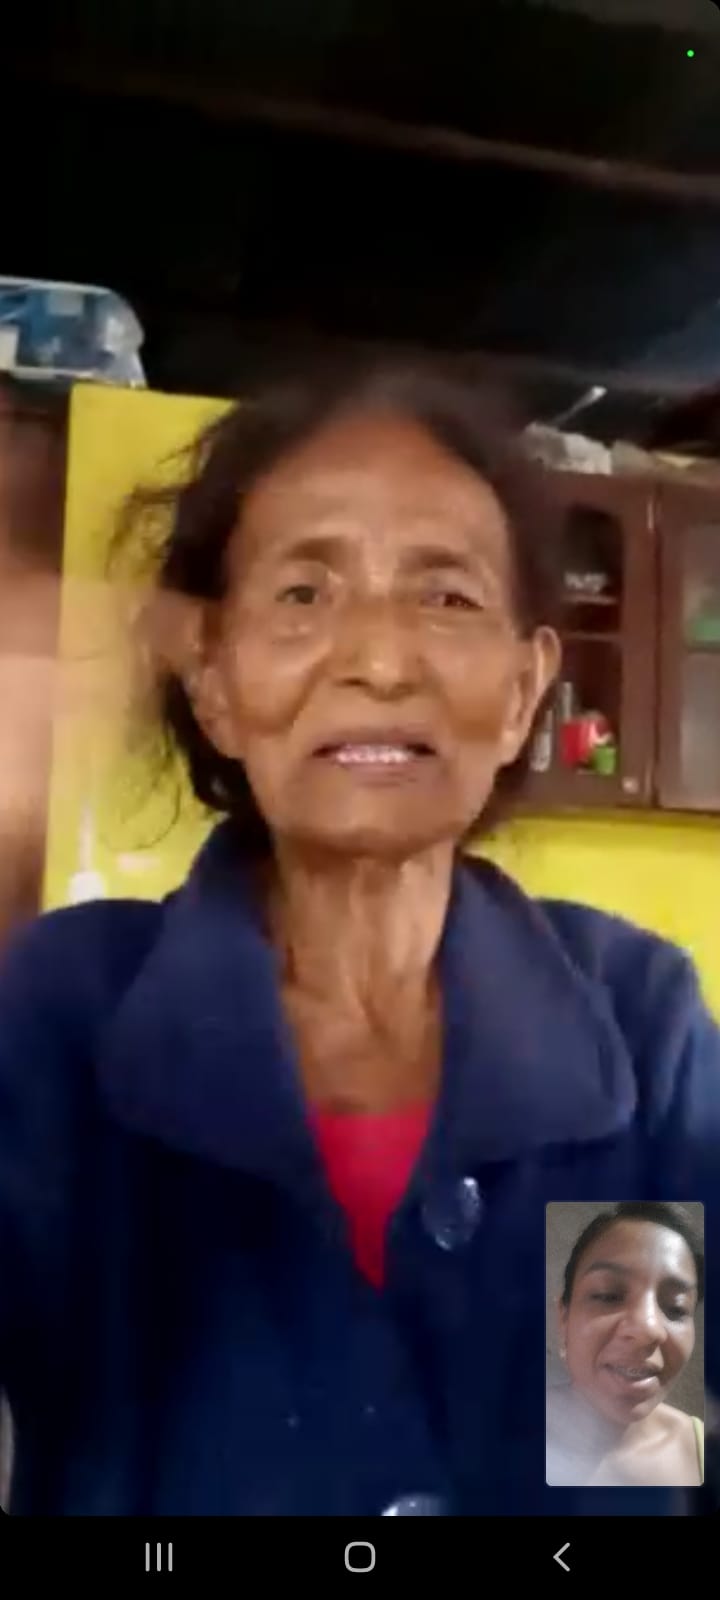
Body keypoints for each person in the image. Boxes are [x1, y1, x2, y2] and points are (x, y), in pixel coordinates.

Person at [0, 362, 719, 1518]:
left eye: (447, 597)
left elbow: (631, 1452)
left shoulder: (636, 1017)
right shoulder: (64, 1010)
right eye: (303, 592)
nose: (380, 661)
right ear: (215, 679)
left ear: (525, 687)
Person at [546, 1203, 704, 1488]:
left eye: (676, 1308)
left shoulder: (703, 1451)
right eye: (608, 1295)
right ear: (563, 1318)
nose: (648, 1328)